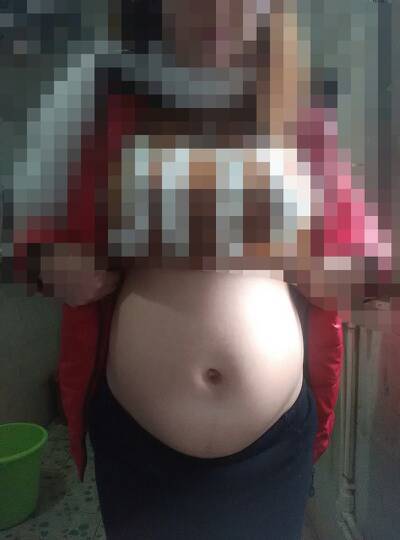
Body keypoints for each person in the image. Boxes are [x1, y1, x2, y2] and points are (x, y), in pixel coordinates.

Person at [5, 1, 392, 538]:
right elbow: (26, 237)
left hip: (271, 448)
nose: (215, 9)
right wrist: (52, 266)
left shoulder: (300, 115)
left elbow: (374, 271)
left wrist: (334, 275)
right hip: (139, 442)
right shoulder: (99, 103)